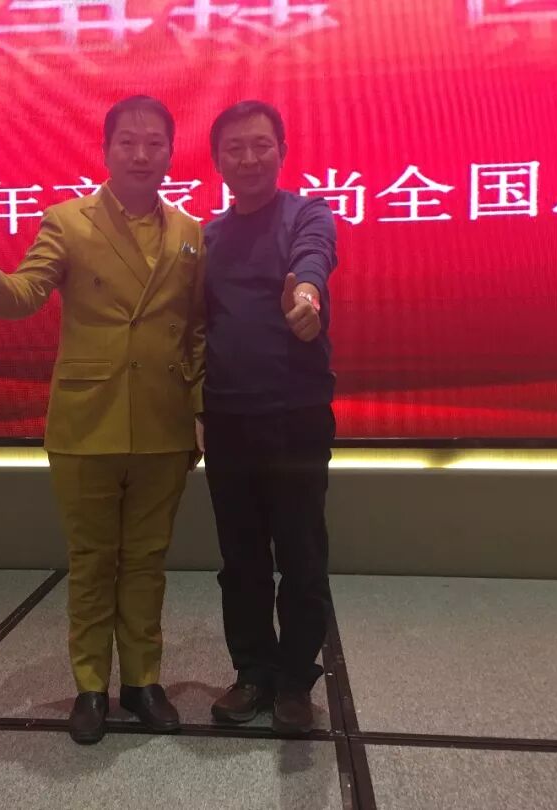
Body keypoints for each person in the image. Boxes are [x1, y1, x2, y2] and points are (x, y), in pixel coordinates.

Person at [0, 95, 205, 745]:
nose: (142, 154)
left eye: (155, 142)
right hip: (86, 421)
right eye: (128, 142)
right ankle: (90, 685)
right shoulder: (67, 221)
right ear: (106, 149)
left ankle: (143, 681)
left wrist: (201, 410)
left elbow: (198, 333)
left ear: (171, 152)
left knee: (146, 561)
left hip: (163, 423)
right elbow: (26, 292)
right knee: (92, 561)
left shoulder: (190, 232)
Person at [200, 100, 338, 735]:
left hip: (295, 416)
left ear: (281, 150)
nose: (249, 158)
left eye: (261, 145)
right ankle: (252, 671)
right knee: (241, 559)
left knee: (302, 556)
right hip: (228, 418)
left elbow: (314, 259)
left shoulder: (307, 213)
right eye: (235, 148)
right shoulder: (207, 238)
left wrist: (306, 297)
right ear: (217, 160)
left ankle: (294, 680)